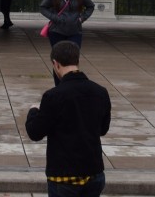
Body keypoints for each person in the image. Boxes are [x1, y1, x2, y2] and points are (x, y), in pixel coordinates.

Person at [25, 41, 111, 197]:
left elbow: (35, 132)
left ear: (56, 64)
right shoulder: (100, 92)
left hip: (63, 177)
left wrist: (33, 111)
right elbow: (103, 129)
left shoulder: (53, 96)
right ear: (77, 61)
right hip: (94, 173)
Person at [39, 0, 95, 85]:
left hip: (75, 31)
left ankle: (71, 86)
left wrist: (82, 18)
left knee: (73, 60)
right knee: (58, 60)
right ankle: (59, 87)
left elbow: (90, 6)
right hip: (56, 31)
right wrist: (55, 18)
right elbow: (43, 7)